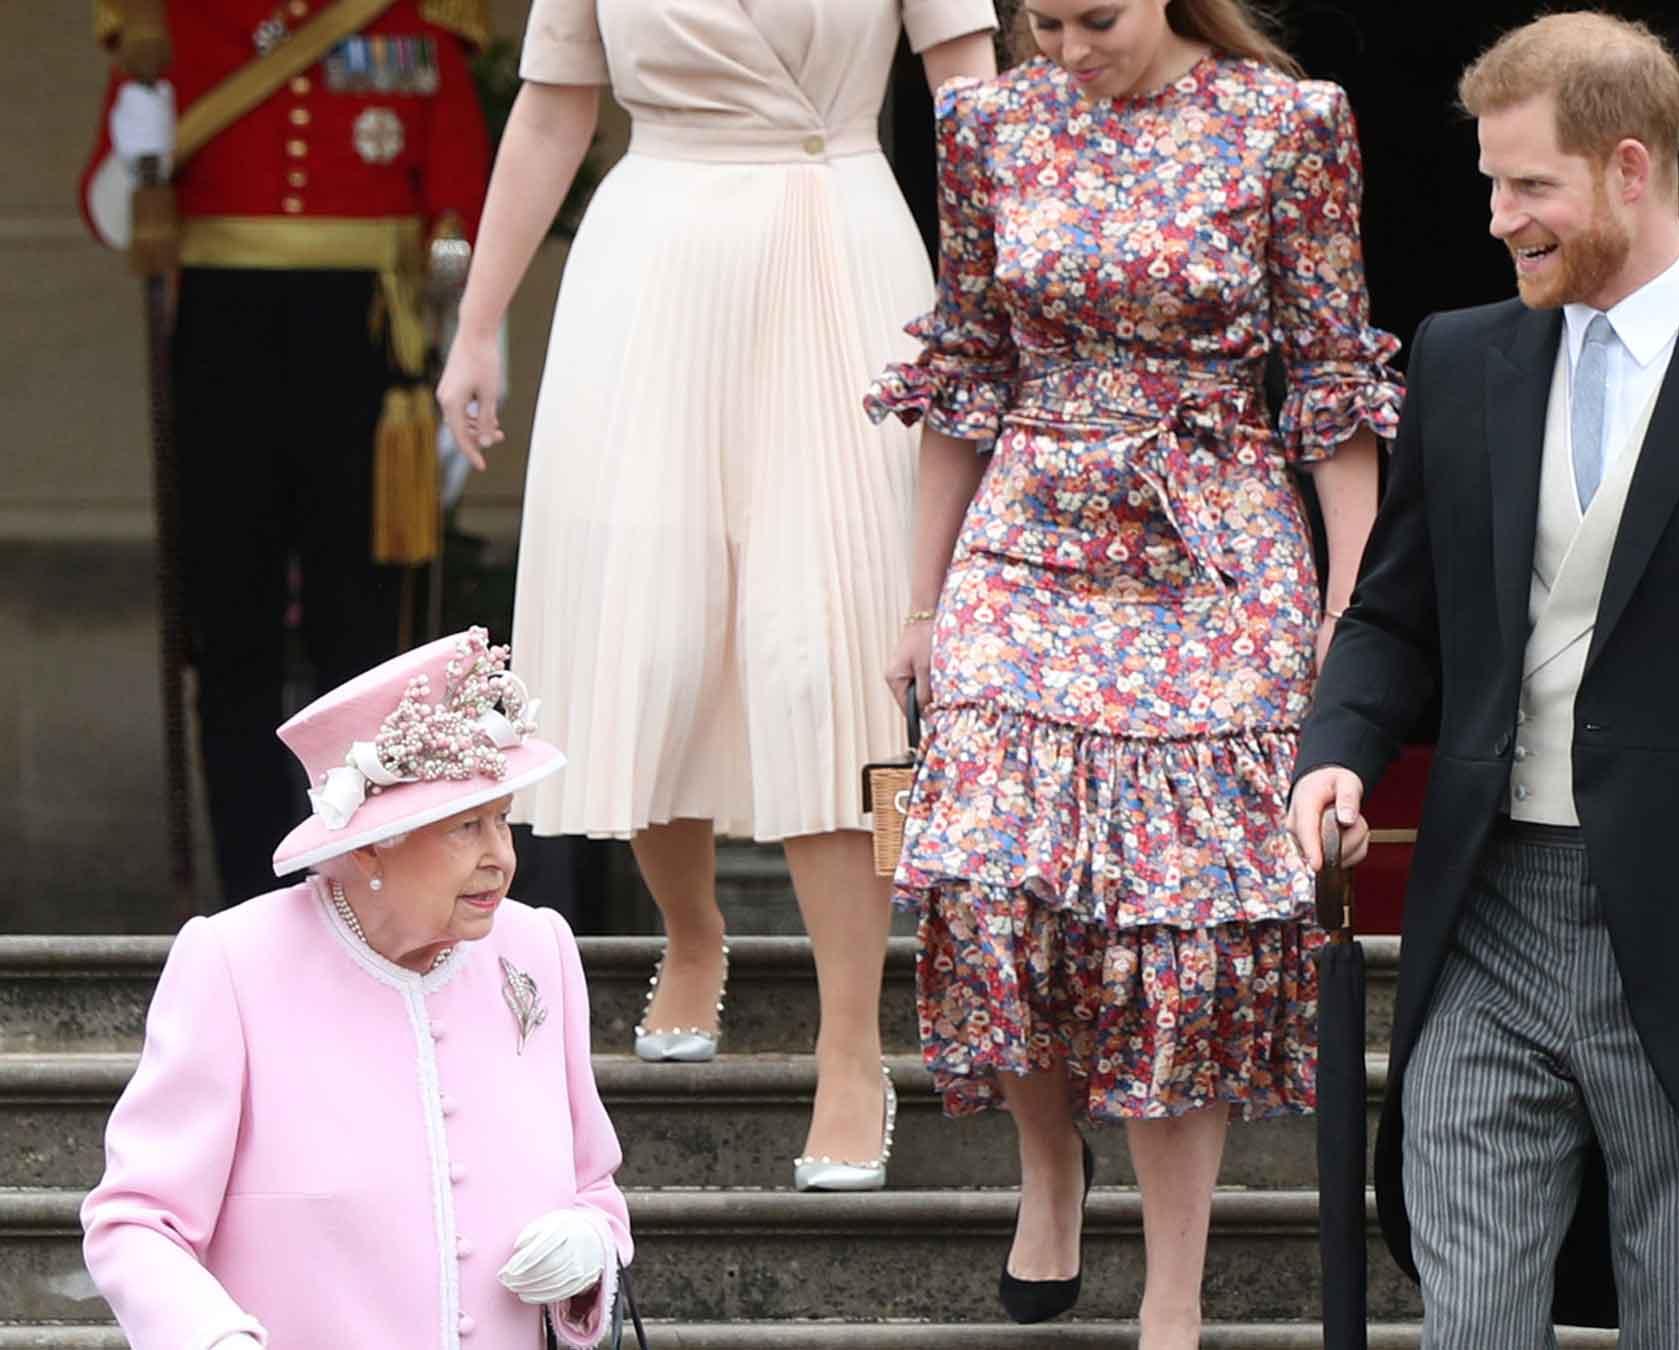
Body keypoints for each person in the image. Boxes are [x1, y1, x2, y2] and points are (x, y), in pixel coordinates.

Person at [1288, 12, 1679, 1344]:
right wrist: (1336, 744)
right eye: (1488, 183)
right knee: (1469, 1318)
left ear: (1627, 170)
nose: (1496, 217)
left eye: (1528, 187)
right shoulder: (1460, 360)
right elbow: (1393, 616)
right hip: (1486, 915)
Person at [864, 1, 1395, 1342]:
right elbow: (968, 364)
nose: (1065, 44)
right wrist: (920, 602)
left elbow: (1330, 376)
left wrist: (1352, 606)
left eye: (1092, 16)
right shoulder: (988, 121)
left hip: (1216, 541)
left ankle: (1173, 1290)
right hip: (1028, 528)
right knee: (987, 880)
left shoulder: (1291, 124)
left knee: (1187, 926)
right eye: (1040, 18)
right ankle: (1050, 1162)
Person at [434, 0, 998, 1188]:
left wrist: (1004, 297)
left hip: (841, 247)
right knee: (653, 639)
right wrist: (478, 323)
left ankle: (852, 1041)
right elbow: (552, 102)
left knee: (828, 659)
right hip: (651, 261)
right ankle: (693, 932)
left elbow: (970, 98)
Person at [81, 627, 633, 1348]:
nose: (501, 857)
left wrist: (591, 1243)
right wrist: (212, 1337)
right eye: (466, 827)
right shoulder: (234, 963)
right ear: (371, 844)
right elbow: (135, 1221)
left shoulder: (539, 948)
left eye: (502, 820)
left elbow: (595, 1186)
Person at [79, 0, 495, 902]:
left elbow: (461, 206)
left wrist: (455, 362)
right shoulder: (175, 24)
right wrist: (135, 151)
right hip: (225, 346)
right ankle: (250, 895)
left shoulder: (411, 23)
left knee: (364, 640)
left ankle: (368, 884)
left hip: (367, 348)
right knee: (232, 636)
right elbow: (112, 217)